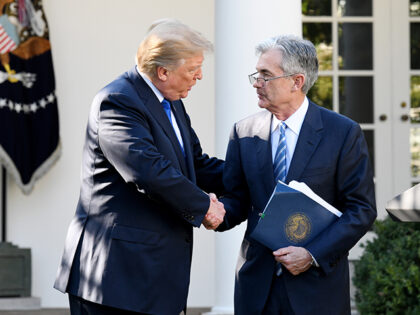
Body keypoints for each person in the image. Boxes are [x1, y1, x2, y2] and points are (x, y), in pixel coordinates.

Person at [54, 19, 225, 315]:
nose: (199, 76)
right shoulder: (118, 100)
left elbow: (194, 163)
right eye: (193, 69)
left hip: (152, 277)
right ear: (163, 71)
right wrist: (204, 206)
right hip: (116, 277)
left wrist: (251, 175)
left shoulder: (171, 101)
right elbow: (148, 171)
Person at [217, 35, 377, 314]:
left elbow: (361, 209)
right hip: (257, 289)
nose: (256, 83)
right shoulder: (243, 132)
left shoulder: (342, 132)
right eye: (256, 74)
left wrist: (312, 254)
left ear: (297, 81)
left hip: (316, 289)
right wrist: (212, 211)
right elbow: (237, 200)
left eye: (266, 75)